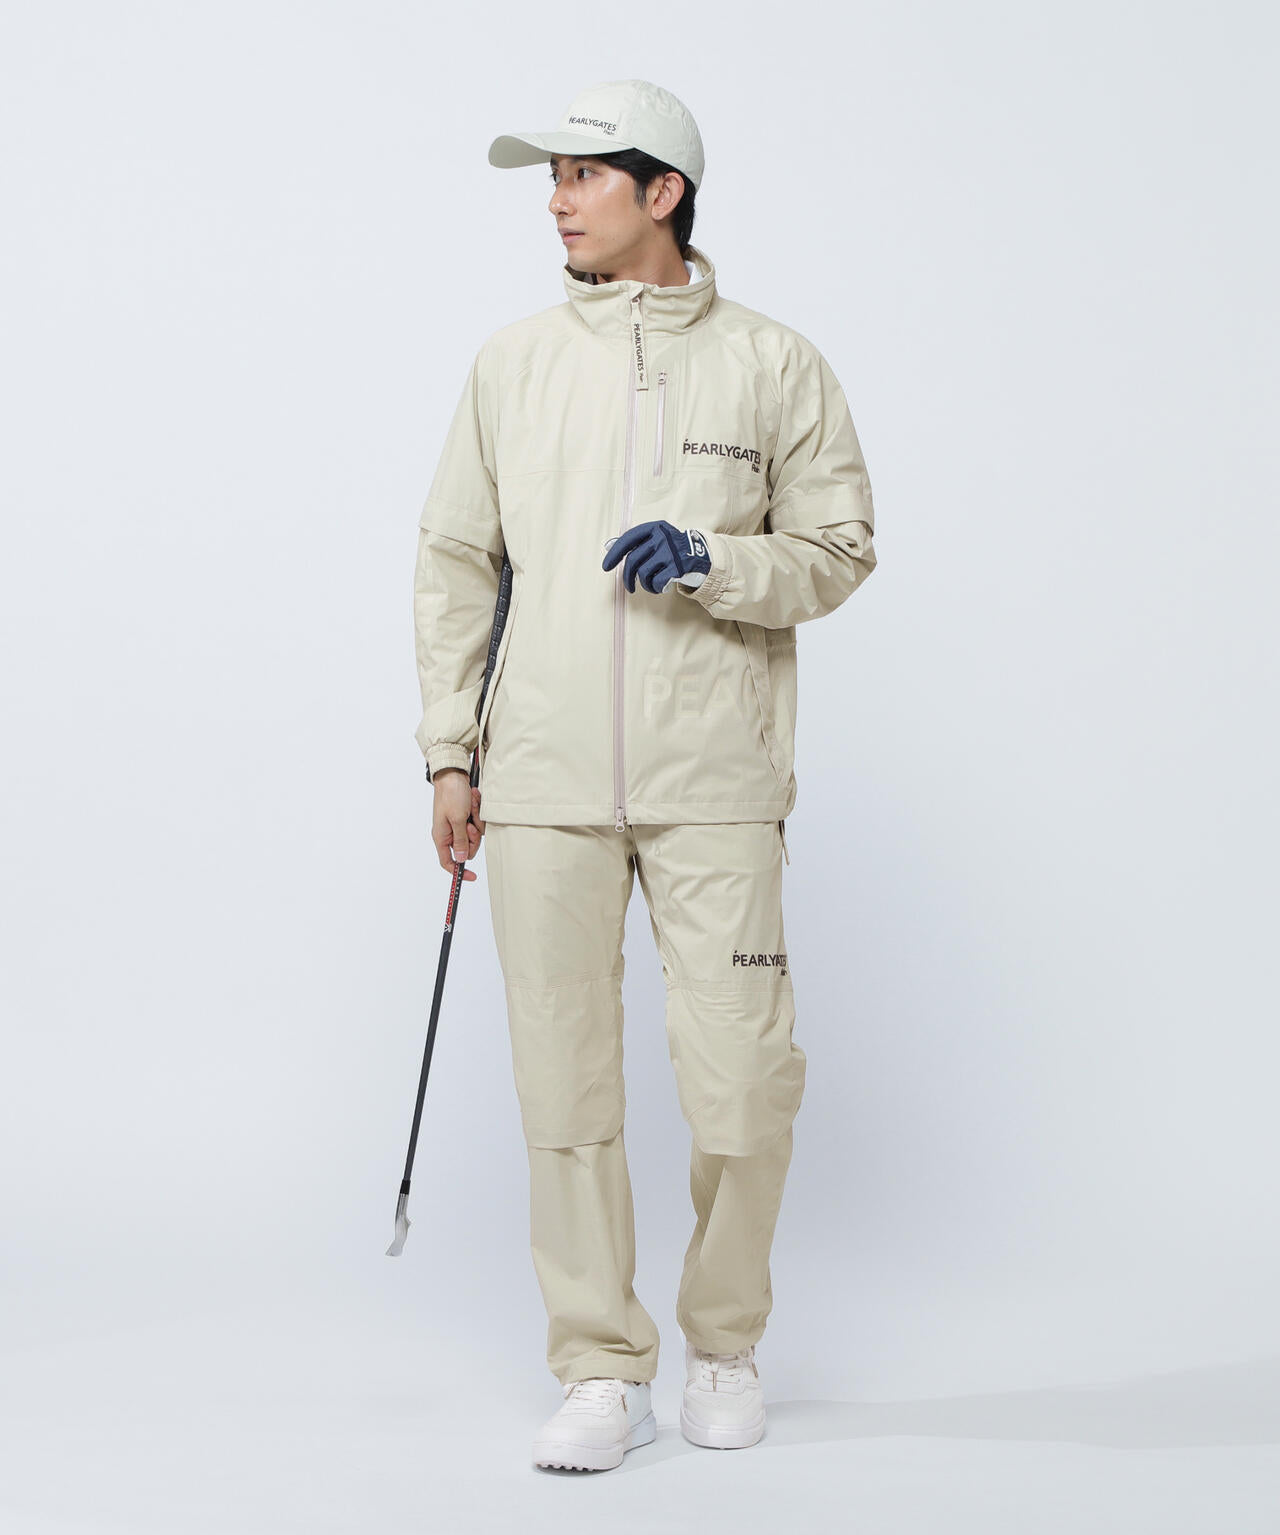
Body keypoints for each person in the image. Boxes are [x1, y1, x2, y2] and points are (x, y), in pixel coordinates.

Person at [413, 78, 877, 1472]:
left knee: (743, 1079)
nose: (557, 200)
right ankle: (600, 1366)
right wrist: (451, 752)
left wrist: (716, 562)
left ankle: (724, 1343)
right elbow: (457, 564)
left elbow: (839, 549)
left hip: (716, 777)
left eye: (583, 175)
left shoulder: (774, 363)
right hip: (542, 775)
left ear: (662, 190)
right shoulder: (512, 364)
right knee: (564, 1087)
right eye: (549, 178)